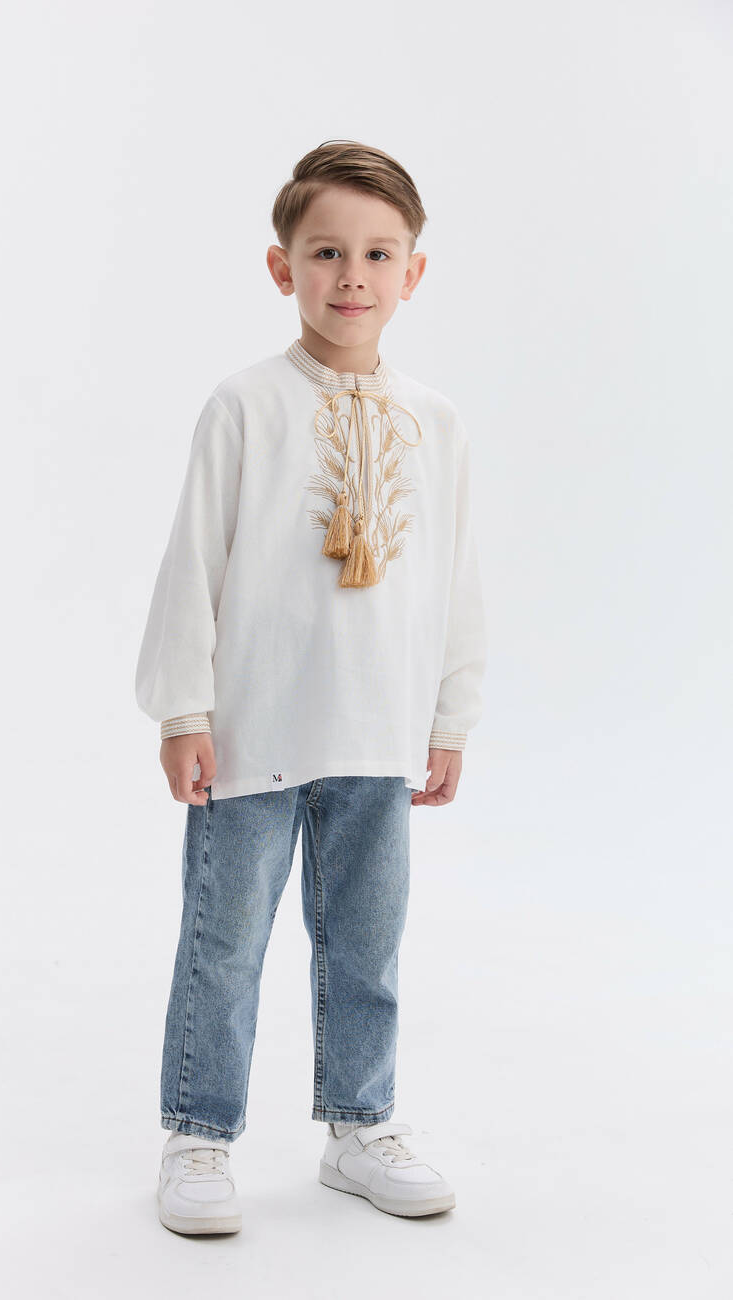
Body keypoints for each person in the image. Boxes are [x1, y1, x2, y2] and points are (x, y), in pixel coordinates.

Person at [135, 139, 487, 1235]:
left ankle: (359, 1126)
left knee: (366, 947)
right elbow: (194, 561)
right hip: (256, 729)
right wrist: (184, 709)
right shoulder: (244, 406)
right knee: (224, 942)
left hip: (379, 732)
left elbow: (456, 577)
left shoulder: (435, 420)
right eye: (326, 251)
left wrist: (449, 718)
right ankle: (198, 1132)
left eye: (378, 254)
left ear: (412, 273)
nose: (352, 276)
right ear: (281, 266)